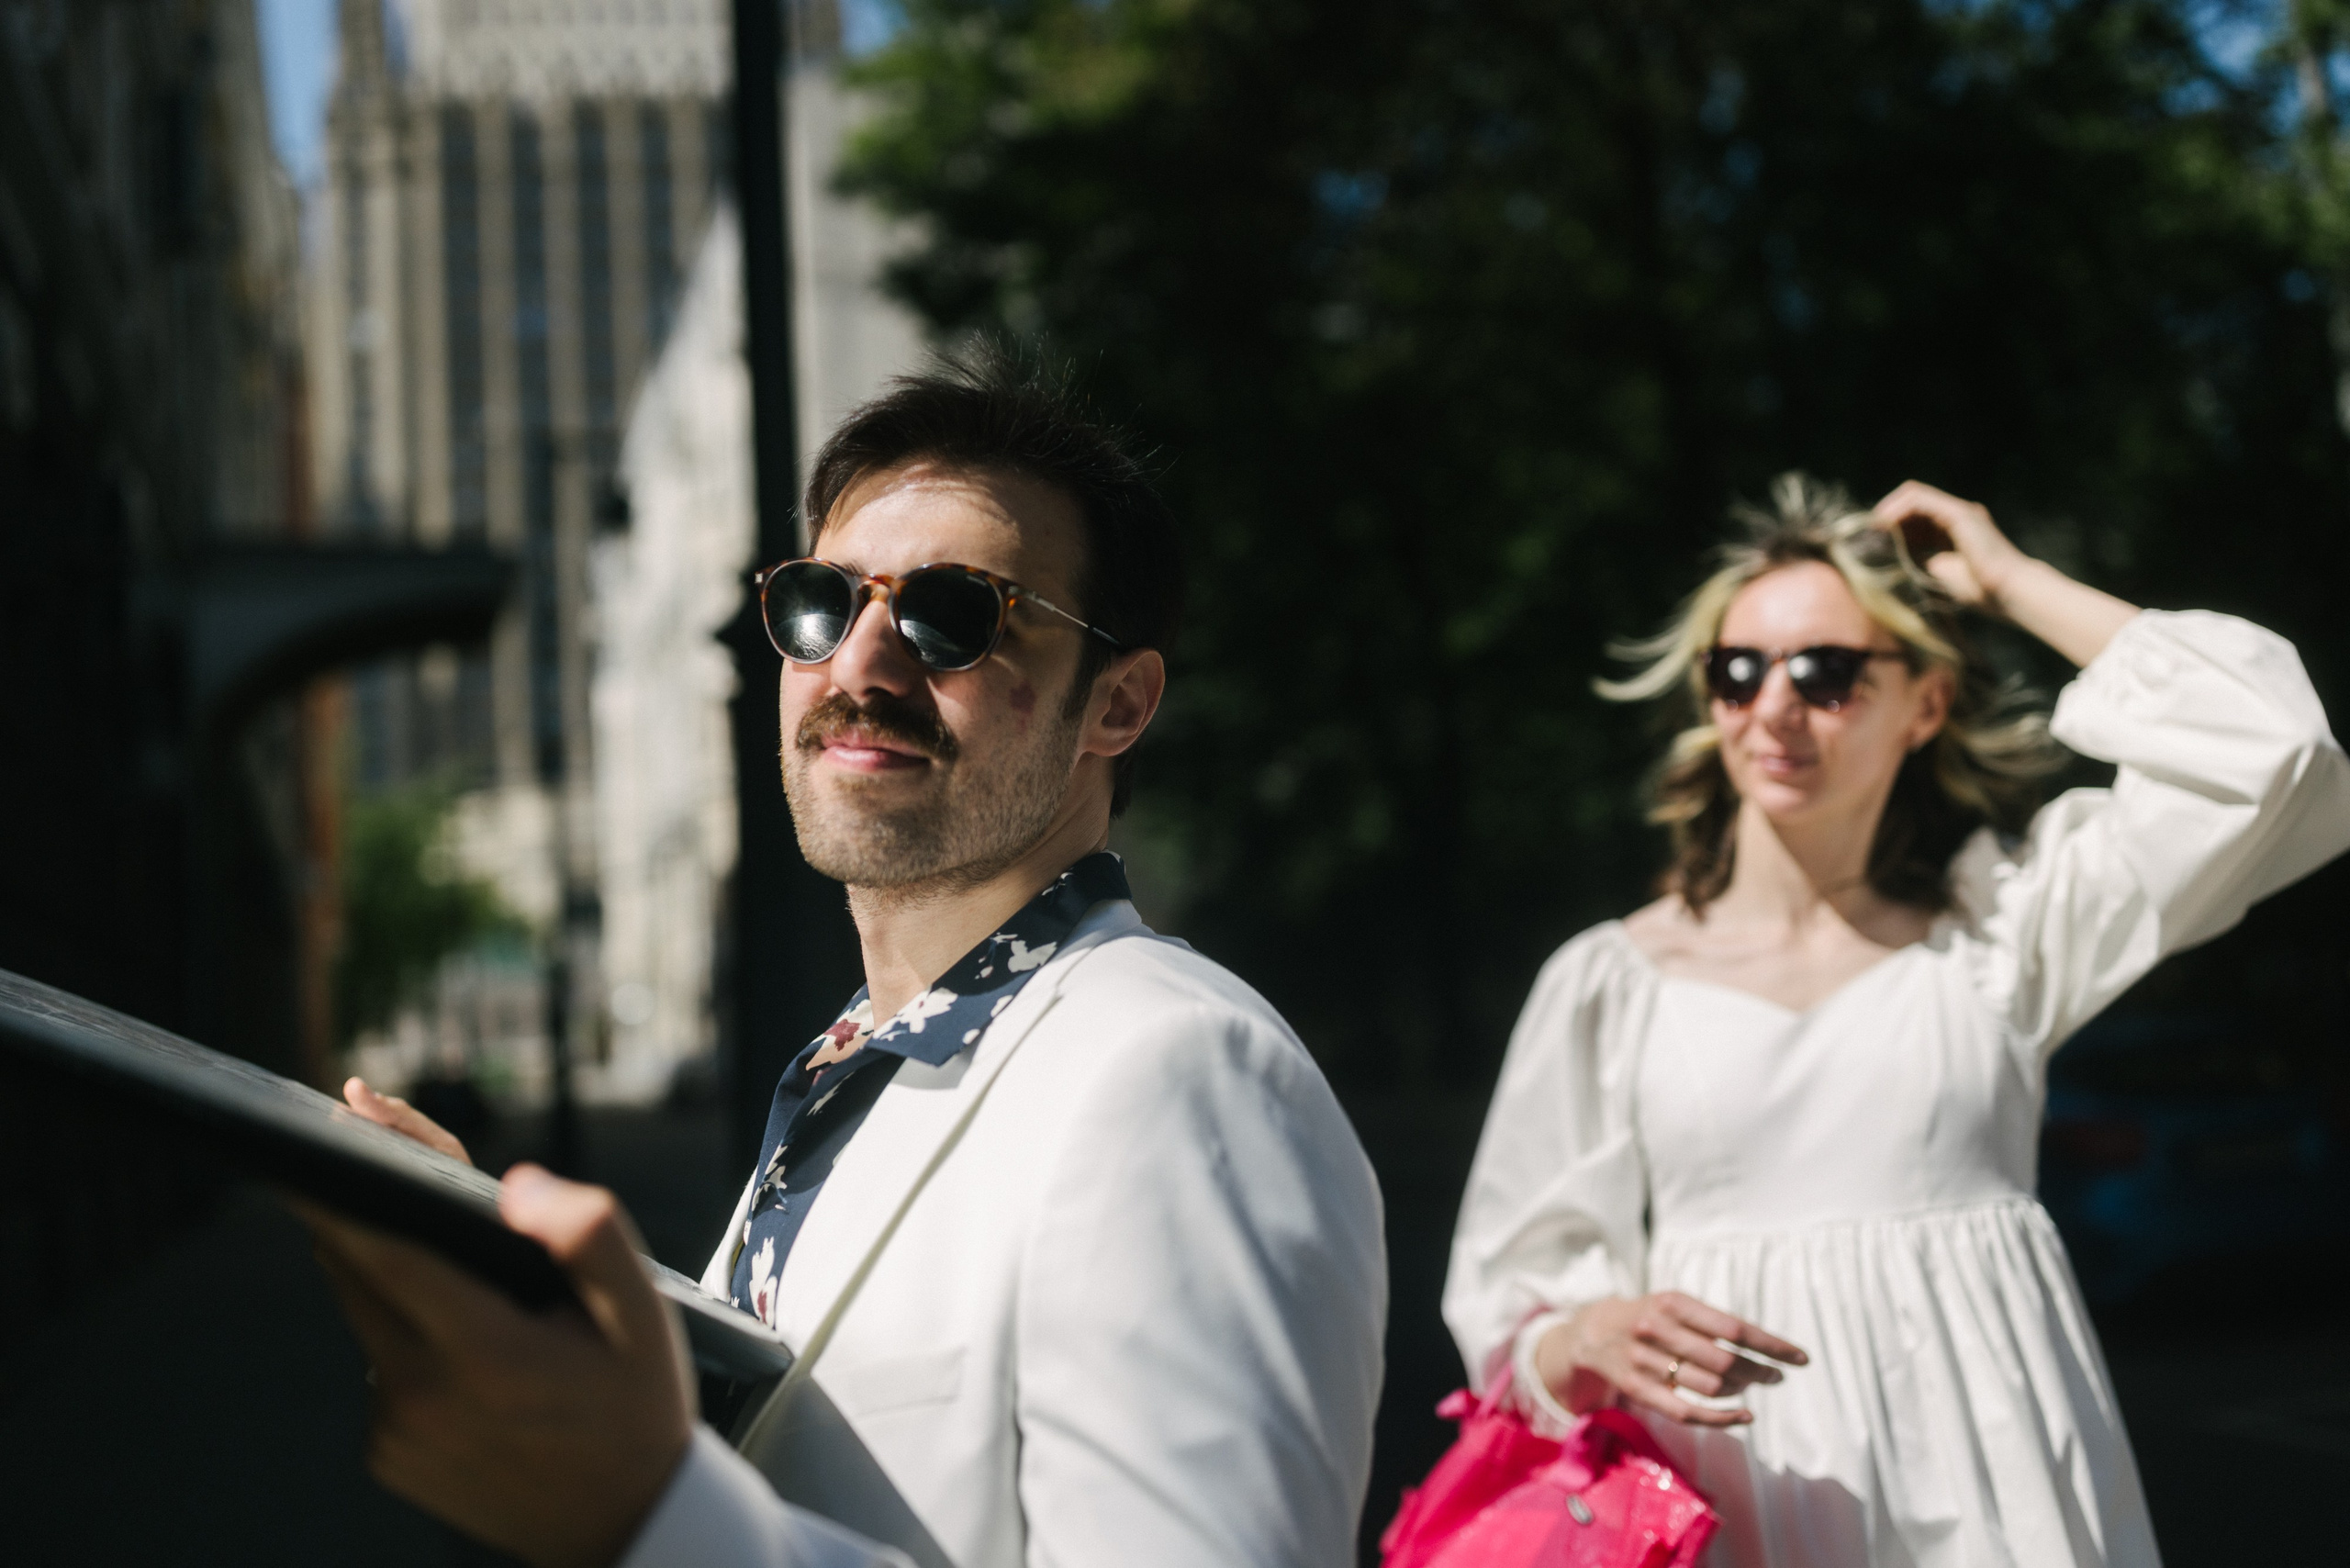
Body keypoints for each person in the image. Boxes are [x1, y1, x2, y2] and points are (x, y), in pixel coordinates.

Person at [303, 355, 1386, 1568]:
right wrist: (547, 1335)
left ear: (1117, 706)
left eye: (955, 614)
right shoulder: (864, 1058)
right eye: (823, 603)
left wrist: (648, 1510)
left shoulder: (1178, 1073)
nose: (861, 669)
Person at [1441, 475, 2350, 1568]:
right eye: (1736, 671)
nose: (1771, 706)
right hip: (1735, 1496)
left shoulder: (2004, 933)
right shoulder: (1607, 982)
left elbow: (2275, 746)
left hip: (1994, 1503)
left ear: (1923, 703)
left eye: (1823, 671)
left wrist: (2011, 580)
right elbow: (1510, 1306)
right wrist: (1587, 1333)